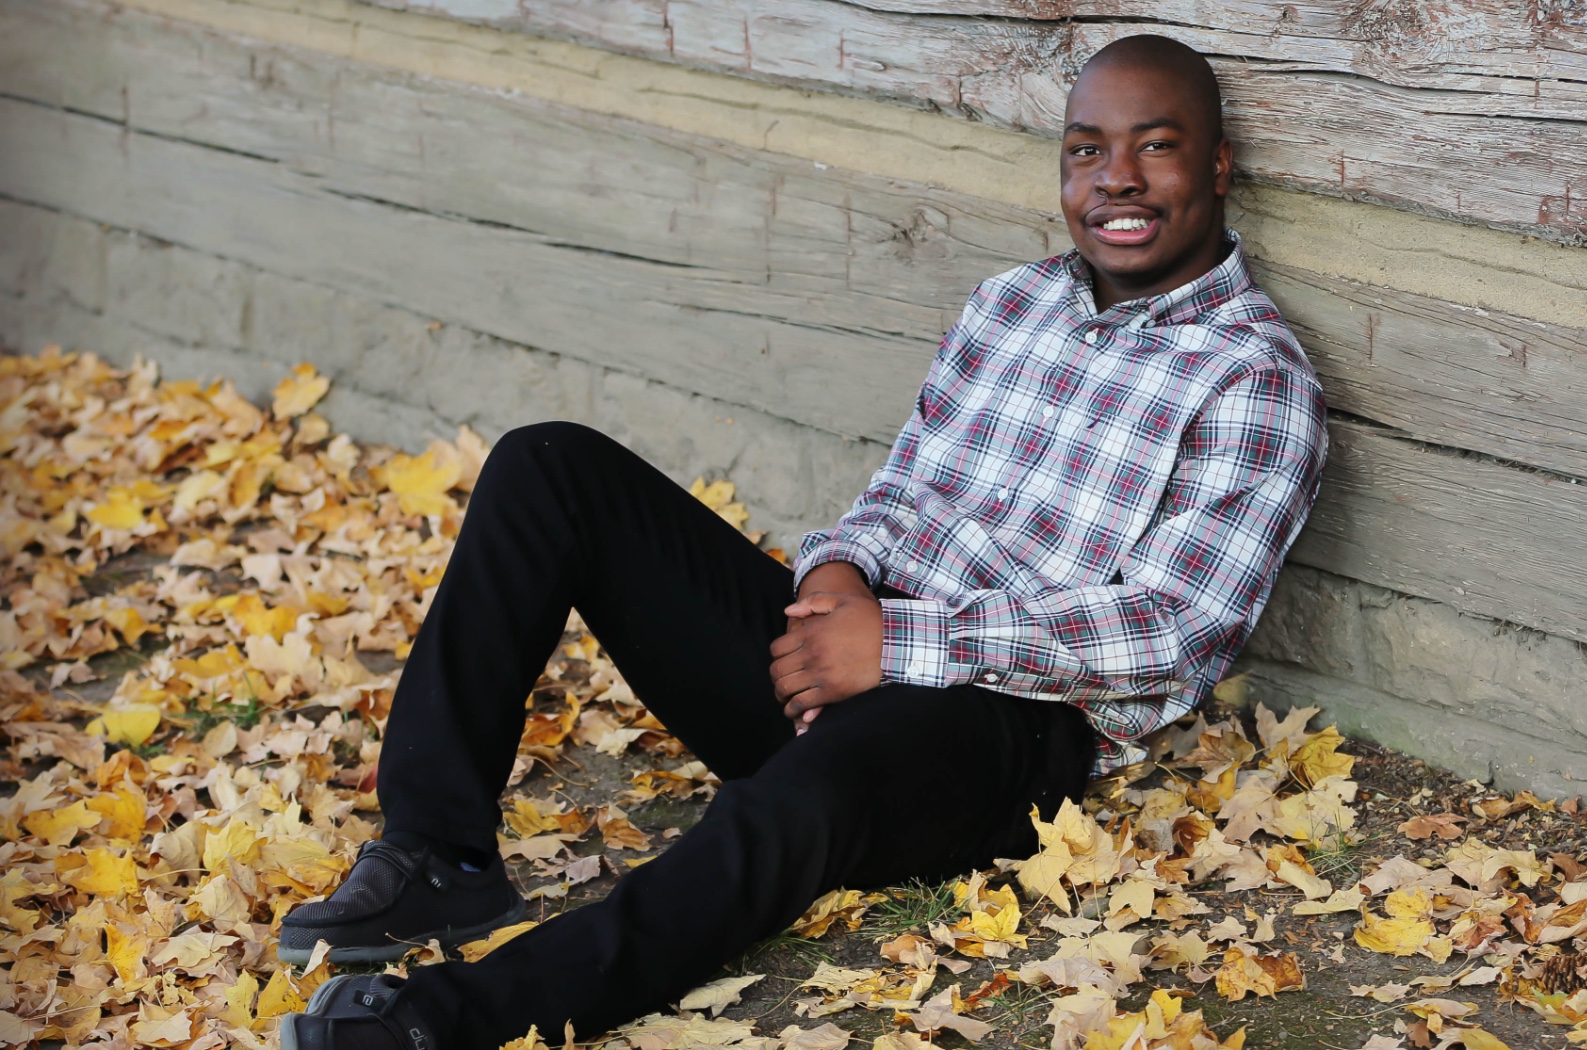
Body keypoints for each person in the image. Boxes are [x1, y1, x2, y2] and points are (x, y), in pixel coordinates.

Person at [278, 33, 1328, 1050]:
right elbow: (904, 487)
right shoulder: (1014, 304)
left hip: (1002, 728)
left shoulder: (1252, 376)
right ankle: (439, 857)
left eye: (1157, 145)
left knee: (794, 805)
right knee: (548, 465)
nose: (1117, 178)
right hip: (849, 648)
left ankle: (445, 1021)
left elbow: (1171, 630)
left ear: (1218, 165)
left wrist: (899, 647)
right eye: (1087, 149)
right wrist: (838, 575)